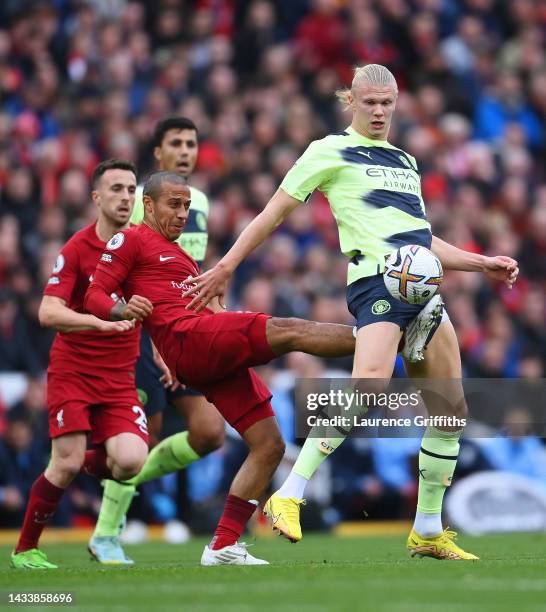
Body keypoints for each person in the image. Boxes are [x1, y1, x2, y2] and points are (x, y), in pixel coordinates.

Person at [182, 64, 519, 560]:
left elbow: (421, 240)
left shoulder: (405, 161)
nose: (379, 111)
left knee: (451, 411)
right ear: (352, 102)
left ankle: (427, 530)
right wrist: (227, 265)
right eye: (370, 103)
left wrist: (479, 262)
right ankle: (289, 494)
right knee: (371, 384)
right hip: (374, 281)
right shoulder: (326, 151)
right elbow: (272, 212)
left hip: (421, 284)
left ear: (397, 102)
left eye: (387, 103)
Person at [84, 170, 357, 565]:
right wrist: (121, 309)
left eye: (187, 207)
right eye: (173, 205)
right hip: (191, 339)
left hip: (201, 349)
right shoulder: (129, 238)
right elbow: (94, 293)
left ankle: (223, 545)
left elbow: (201, 304)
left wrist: (219, 313)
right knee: (289, 329)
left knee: (269, 445)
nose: (182, 214)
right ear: (148, 204)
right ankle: (382, 338)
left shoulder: (179, 255)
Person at [89, 117, 224, 564]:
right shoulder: (137, 204)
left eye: (192, 143)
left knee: (209, 433)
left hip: (184, 328)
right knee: (144, 438)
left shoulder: (197, 202)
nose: (186, 151)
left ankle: (116, 497)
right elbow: (119, 271)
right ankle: (108, 530)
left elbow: (192, 272)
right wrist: (151, 340)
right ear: (158, 154)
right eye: (177, 143)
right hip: (140, 335)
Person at [10, 159, 151, 570]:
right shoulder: (76, 248)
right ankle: (25, 550)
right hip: (73, 370)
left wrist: (166, 355)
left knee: (130, 463)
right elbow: (47, 312)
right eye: (116, 190)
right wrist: (97, 321)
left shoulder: (144, 247)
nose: (125, 197)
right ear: (96, 197)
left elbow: (157, 310)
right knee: (68, 461)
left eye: (130, 190)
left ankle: (65, 466)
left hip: (119, 377)